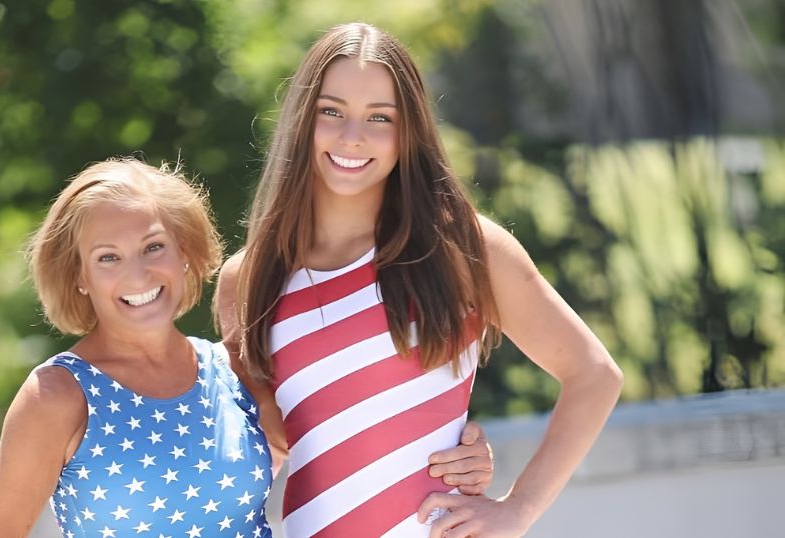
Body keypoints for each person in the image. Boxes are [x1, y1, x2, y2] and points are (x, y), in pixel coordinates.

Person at [217, 23, 623, 538]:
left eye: (379, 118)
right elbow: (263, 449)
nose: (352, 137)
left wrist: (517, 509)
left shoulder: (462, 247)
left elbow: (594, 374)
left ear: (409, 130)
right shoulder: (248, 277)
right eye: (332, 111)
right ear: (302, 118)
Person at [0, 158, 275, 537]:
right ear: (79, 275)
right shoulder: (56, 395)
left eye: (154, 247)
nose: (137, 274)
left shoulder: (233, 372)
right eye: (108, 257)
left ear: (185, 251)